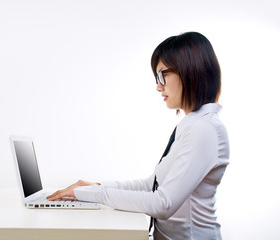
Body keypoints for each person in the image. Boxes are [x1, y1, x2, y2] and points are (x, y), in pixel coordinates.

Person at [47, 32, 230, 240]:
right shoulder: (193, 125)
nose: (158, 86)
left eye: (163, 74)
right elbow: (152, 184)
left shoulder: (204, 130)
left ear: (190, 71)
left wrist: (92, 195)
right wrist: (95, 187)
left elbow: (163, 204)